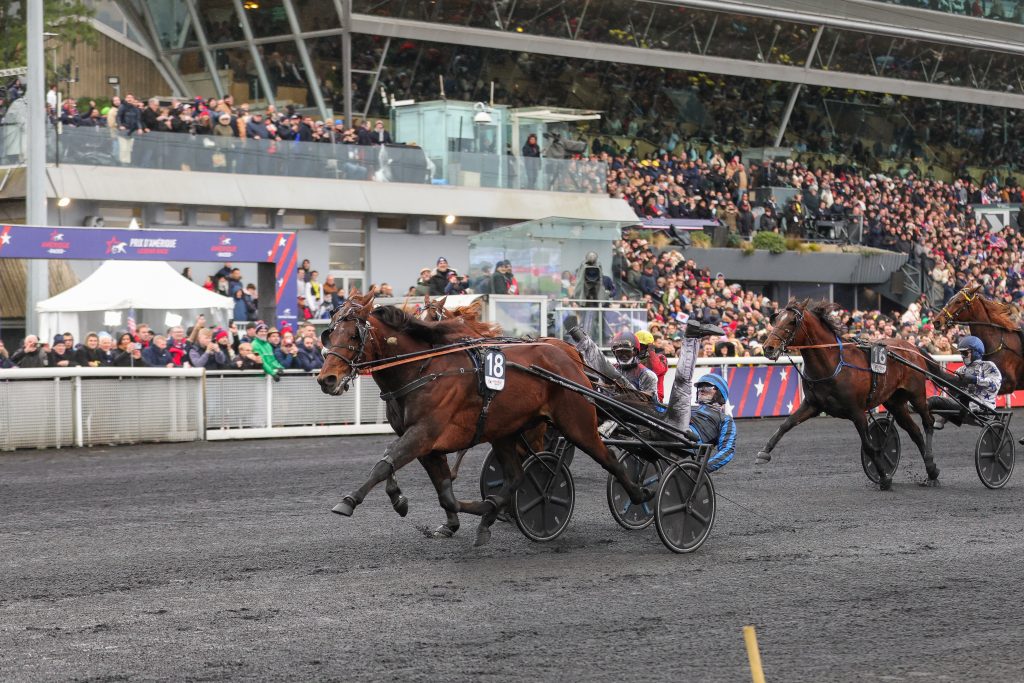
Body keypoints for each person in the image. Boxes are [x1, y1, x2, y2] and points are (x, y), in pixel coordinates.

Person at [566, 316, 735, 472]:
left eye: (707, 389)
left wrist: (704, 468)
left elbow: (728, 450)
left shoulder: (725, 420)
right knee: (616, 380)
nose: (702, 392)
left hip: (683, 435)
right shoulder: (693, 408)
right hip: (658, 424)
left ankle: (691, 337)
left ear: (720, 395)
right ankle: (582, 343)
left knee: (681, 383)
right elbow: (659, 409)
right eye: (701, 389)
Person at [928, 336, 1002, 430]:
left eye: (965, 353)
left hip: (981, 407)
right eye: (961, 353)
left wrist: (974, 379)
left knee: (935, 400)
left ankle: (921, 408)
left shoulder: (988, 366)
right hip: (964, 406)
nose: (962, 356)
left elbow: (995, 384)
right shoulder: (961, 369)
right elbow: (952, 388)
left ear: (976, 352)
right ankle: (943, 416)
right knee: (941, 397)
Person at [636, 330, 668, 402]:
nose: (640, 349)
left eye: (642, 346)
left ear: (649, 346)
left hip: (654, 400)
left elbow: (657, 370)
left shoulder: (661, 358)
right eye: (638, 346)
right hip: (636, 397)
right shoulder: (632, 360)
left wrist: (651, 352)